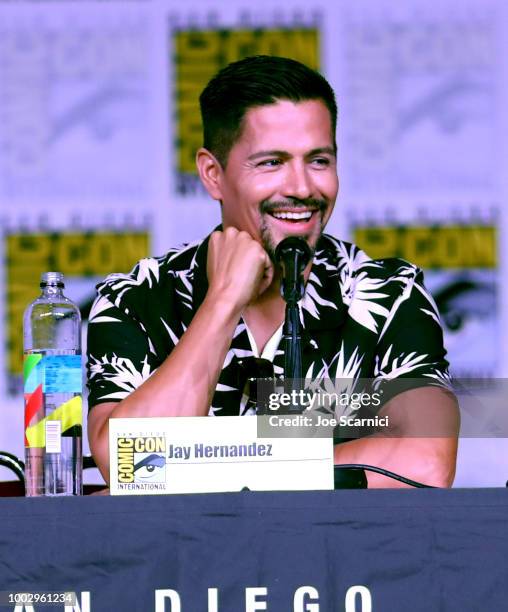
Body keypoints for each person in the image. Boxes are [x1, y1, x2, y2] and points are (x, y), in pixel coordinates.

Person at [87, 55, 459, 487]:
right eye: (271, 163)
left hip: (339, 556)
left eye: (319, 160)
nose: (302, 188)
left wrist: (214, 470)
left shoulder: (388, 294)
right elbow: (132, 466)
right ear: (212, 174)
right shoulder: (135, 299)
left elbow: (427, 462)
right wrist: (223, 301)